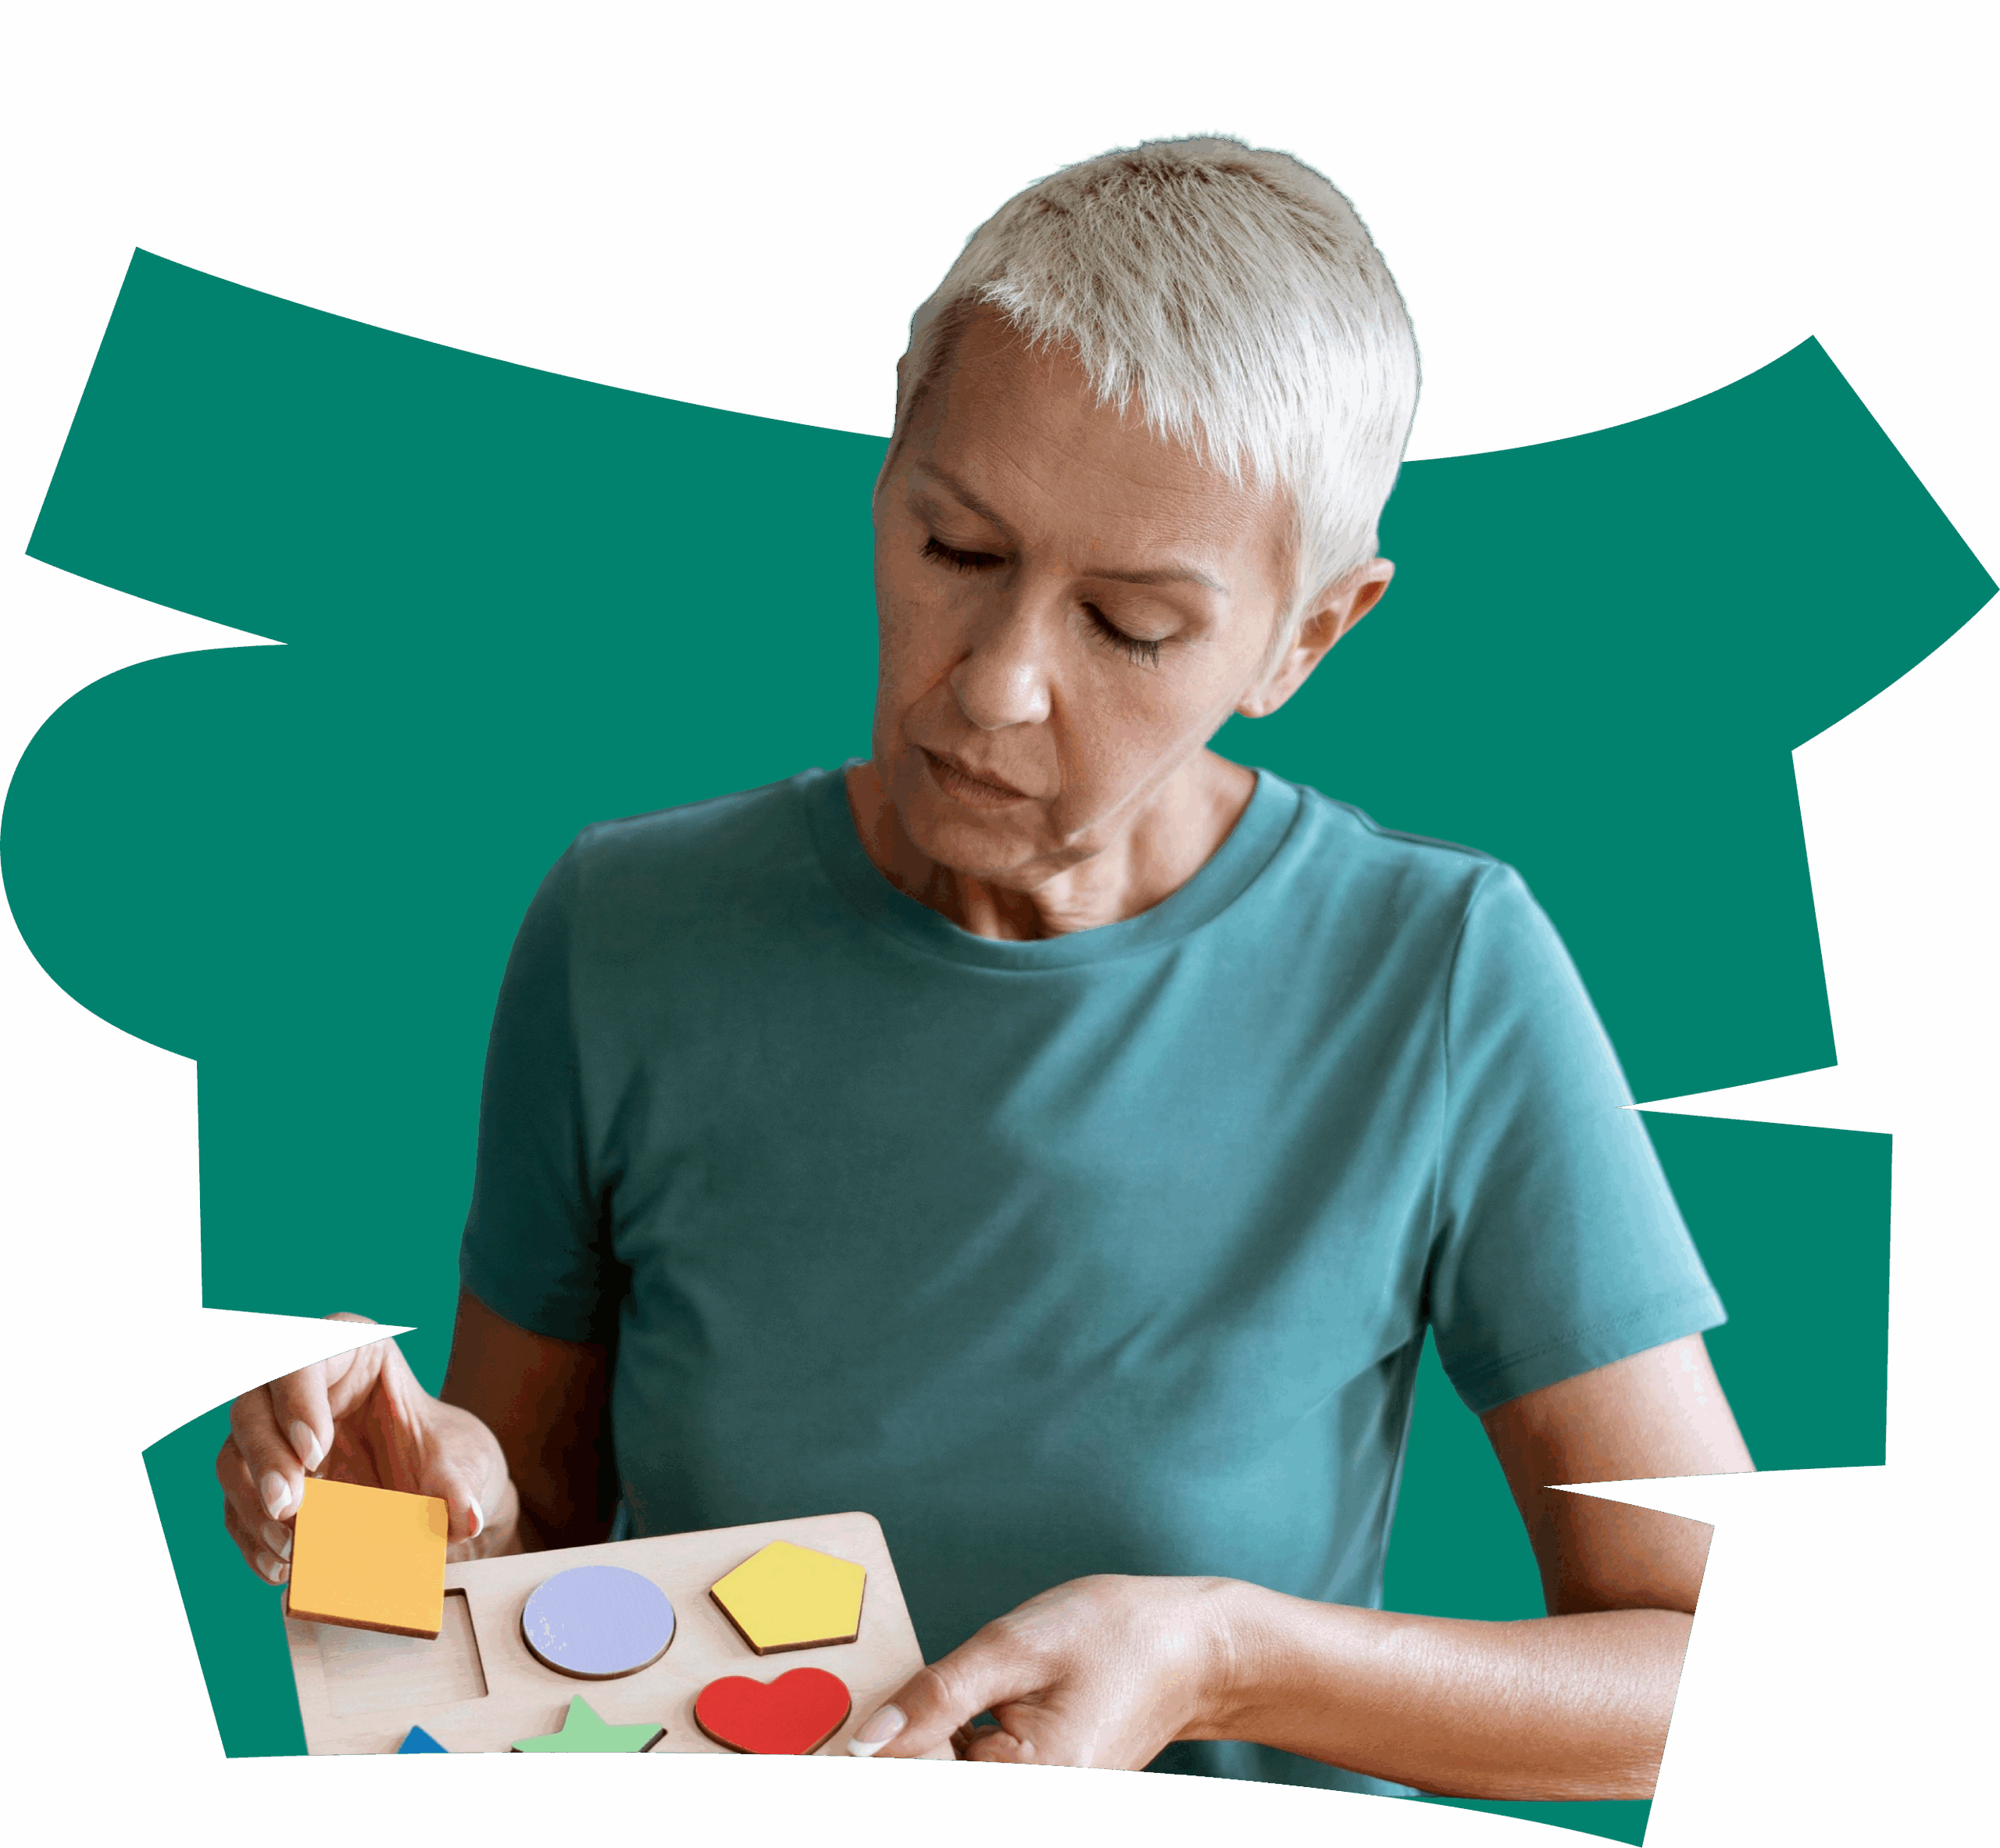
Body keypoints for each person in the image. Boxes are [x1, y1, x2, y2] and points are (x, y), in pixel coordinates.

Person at [217, 135, 1752, 1798]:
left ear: (1305, 636)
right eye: (955, 549)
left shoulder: (1438, 971)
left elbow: (1718, 1671)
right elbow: (509, 1618)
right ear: (888, 462)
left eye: (1131, 626)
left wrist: (1226, 1653)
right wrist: (372, 1518)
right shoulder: (623, 931)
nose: (997, 685)